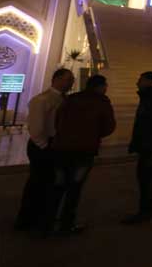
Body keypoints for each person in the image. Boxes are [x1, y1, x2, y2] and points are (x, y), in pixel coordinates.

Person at [45, 74, 116, 235]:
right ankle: (66, 223)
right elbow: (109, 126)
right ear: (100, 87)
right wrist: (93, 134)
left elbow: (57, 120)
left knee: (57, 186)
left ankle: (47, 222)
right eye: (105, 86)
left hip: (61, 148)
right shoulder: (101, 102)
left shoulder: (70, 99)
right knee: (74, 187)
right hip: (84, 150)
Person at [15, 68, 74, 232]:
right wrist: (45, 146)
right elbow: (36, 128)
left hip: (55, 145)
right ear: (56, 79)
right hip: (43, 146)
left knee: (49, 184)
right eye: (68, 79)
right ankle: (27, 220)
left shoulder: (64, 99)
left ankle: (41, 217)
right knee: (37, 183)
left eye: (72, 80)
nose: (71, 83)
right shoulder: (42, 100)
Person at [122, 71, 152, 225]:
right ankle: (146, 209)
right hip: (147, 143)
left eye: (141, 80)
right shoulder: (150, 98)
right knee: (145, 177)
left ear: (150, 82)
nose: (137, 83)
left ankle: (146, 210)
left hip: (148, 144)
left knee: (146, 178)